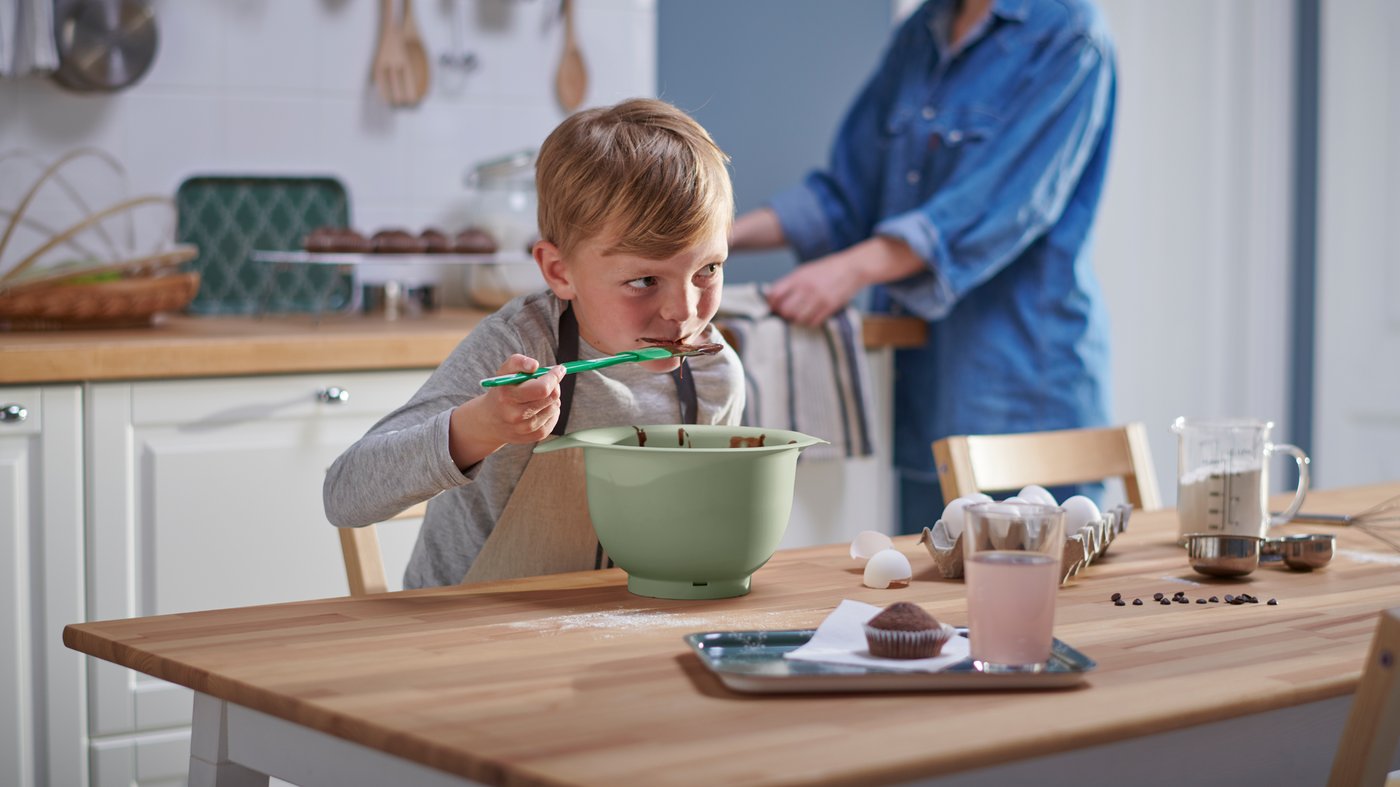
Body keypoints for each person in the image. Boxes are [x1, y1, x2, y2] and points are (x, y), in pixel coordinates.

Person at [729, 0, 1117, 534]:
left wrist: (846, 272)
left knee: (1041, 599)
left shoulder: (1069, 34)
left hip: (1021, 388)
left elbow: (993, 207)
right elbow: (846, 194)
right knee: (937, 595)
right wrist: (712, 237)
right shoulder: (922, 32)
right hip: (921, 389)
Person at [325, 98, 745, 588]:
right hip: (463, 641)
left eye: (707, 269)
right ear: (558, 271)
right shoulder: (518, 345)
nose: (685, 310)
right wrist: (477, 428)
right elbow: (344, 495)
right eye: (645, 279)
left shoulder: (712, 377)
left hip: (616, 639)